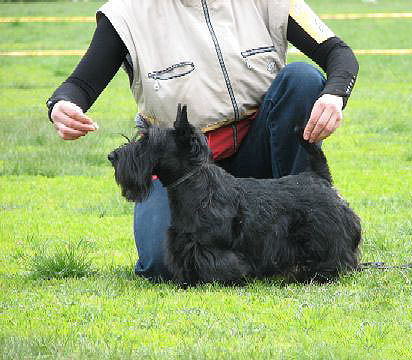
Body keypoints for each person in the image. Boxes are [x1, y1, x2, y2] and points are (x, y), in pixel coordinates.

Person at [47, 0, 359, 281]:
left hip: (258, 151)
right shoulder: (125, 14)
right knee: (160, 263)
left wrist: (335, 94)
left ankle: (305, 240)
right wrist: (63, 105)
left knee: (302, 79)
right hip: (181, 170)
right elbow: (79, 84)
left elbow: (339, 53)